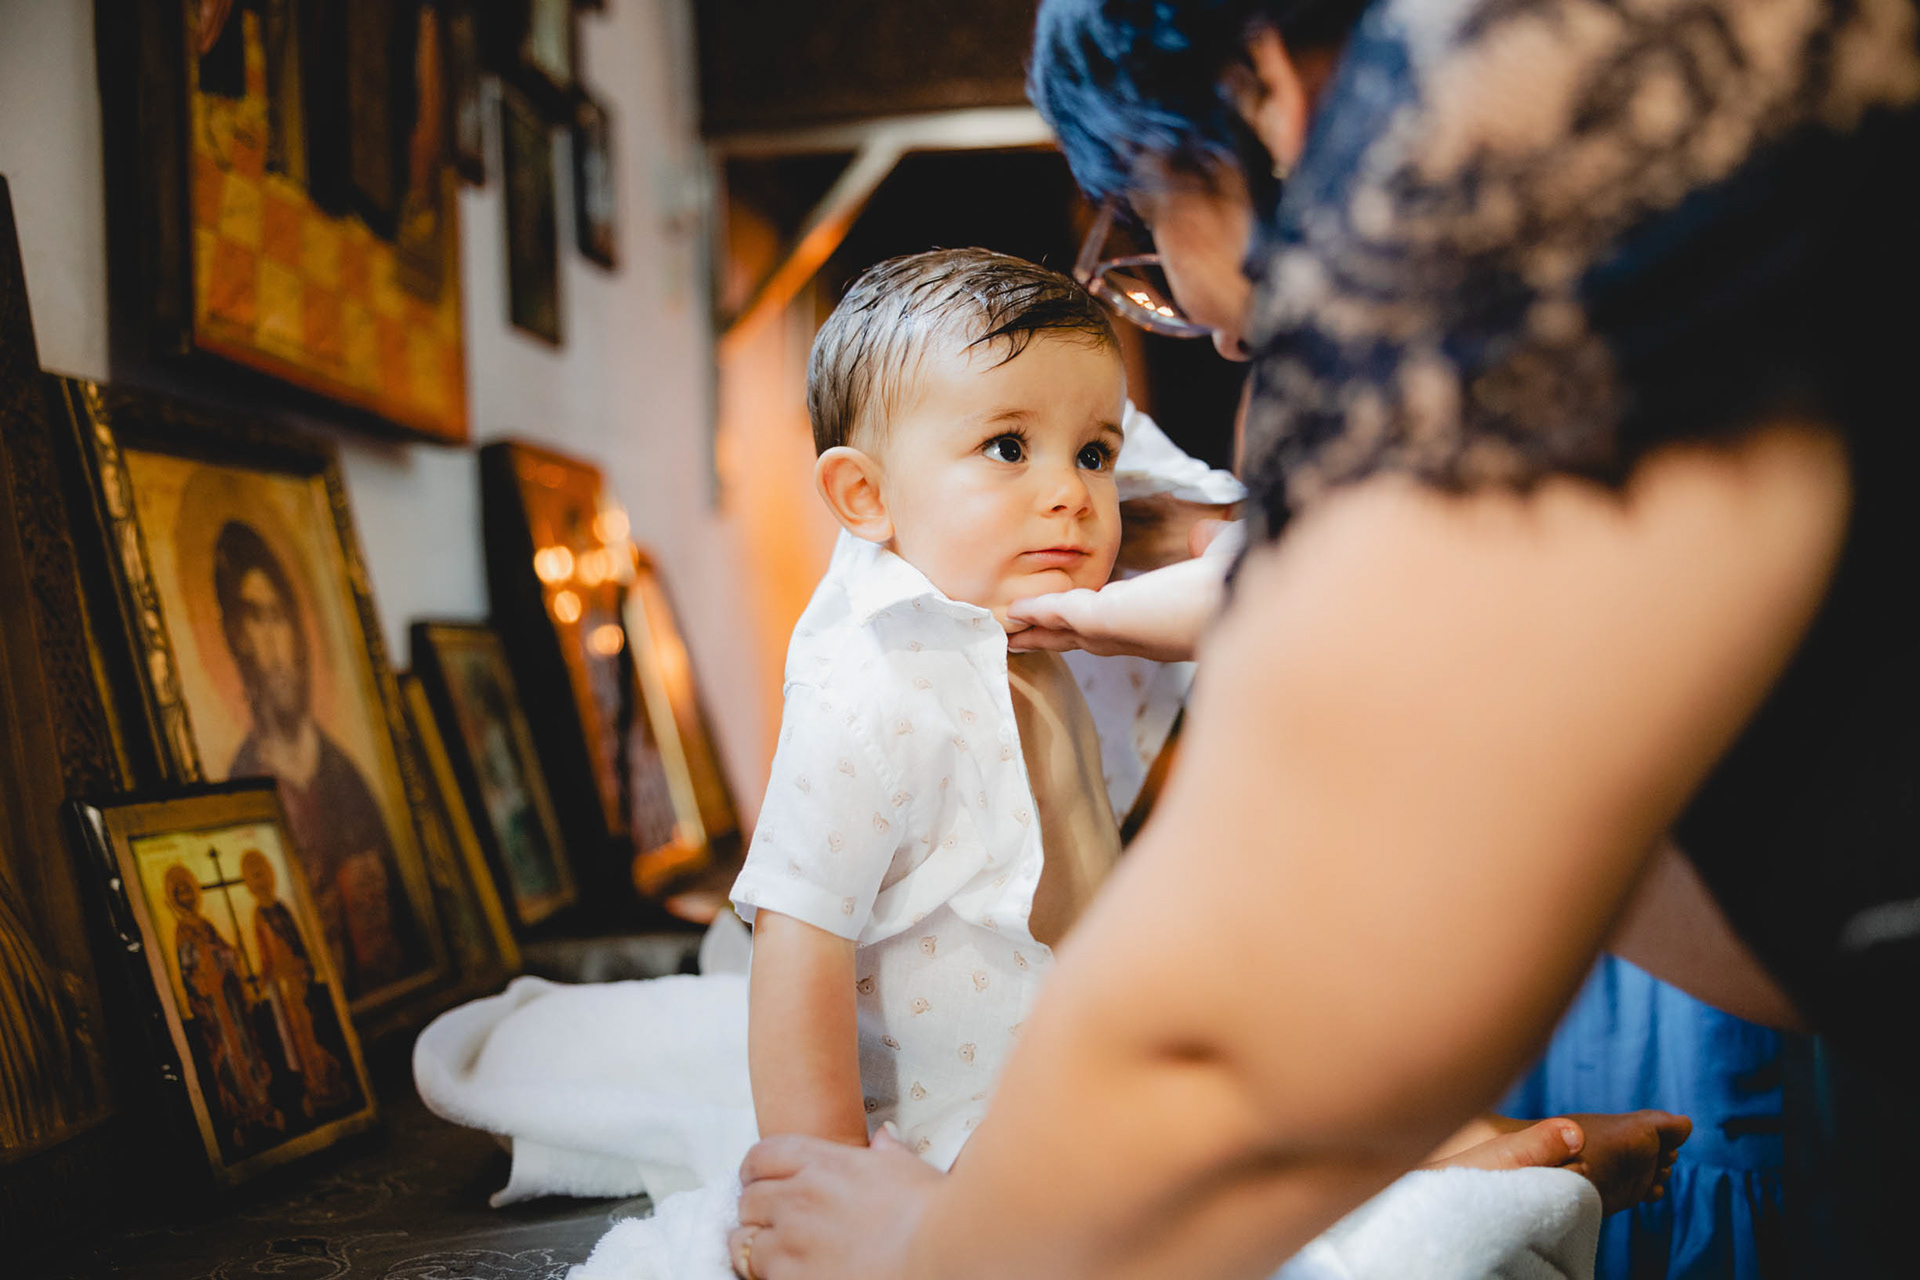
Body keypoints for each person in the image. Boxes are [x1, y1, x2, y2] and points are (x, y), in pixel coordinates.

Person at [725, 0, 1920, 1275]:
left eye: (1142, 213)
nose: (1202, 315)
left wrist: (942, 1251)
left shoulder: (1500, 231)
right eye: (1007, 448)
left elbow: (1246, 1029)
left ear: (1269, 89)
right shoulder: (1745, 133)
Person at [728, 247, 1687, 1279]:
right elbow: (799, 946)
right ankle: (1467, 1179)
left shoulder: (1038, 639)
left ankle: (1470, 1146)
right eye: (1008, 447)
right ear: (864, 497)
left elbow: (1181, 492)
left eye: (1092, 454)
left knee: (1292, 1065)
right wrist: (819, 1183)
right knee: (1209, 1188)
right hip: (965, 1120)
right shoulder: (869, 689)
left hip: (1082, 1056)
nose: (1069, 493)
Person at [213, 520, 424, 998]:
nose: (274, 644)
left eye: (279, 617)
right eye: (255, 619)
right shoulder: (239, 787)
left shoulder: (350, 779)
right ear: (236, 637)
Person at [241, 848, 352, 1117]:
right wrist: (263, 978)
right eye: (254, 876)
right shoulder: (259, 915)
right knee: (297, 1036)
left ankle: (328, 1080)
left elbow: (298, 941)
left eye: (263, 873)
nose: (261, 880)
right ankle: (312, 1085)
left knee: (312, 1027)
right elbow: (267, 955)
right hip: (283, 988)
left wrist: (307, 967)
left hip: (299, 978)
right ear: (249, 883)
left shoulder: (280, 907)